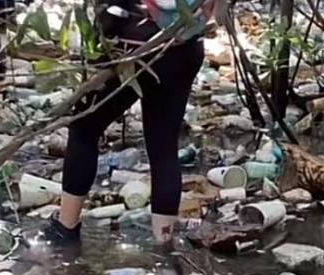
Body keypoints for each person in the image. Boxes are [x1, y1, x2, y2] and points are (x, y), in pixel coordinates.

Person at [43, 0, 210, 245]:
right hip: (185, 44)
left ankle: (65, 229)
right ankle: (164, 247)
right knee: (164, 147)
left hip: (131, 43)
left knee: (84, 129)